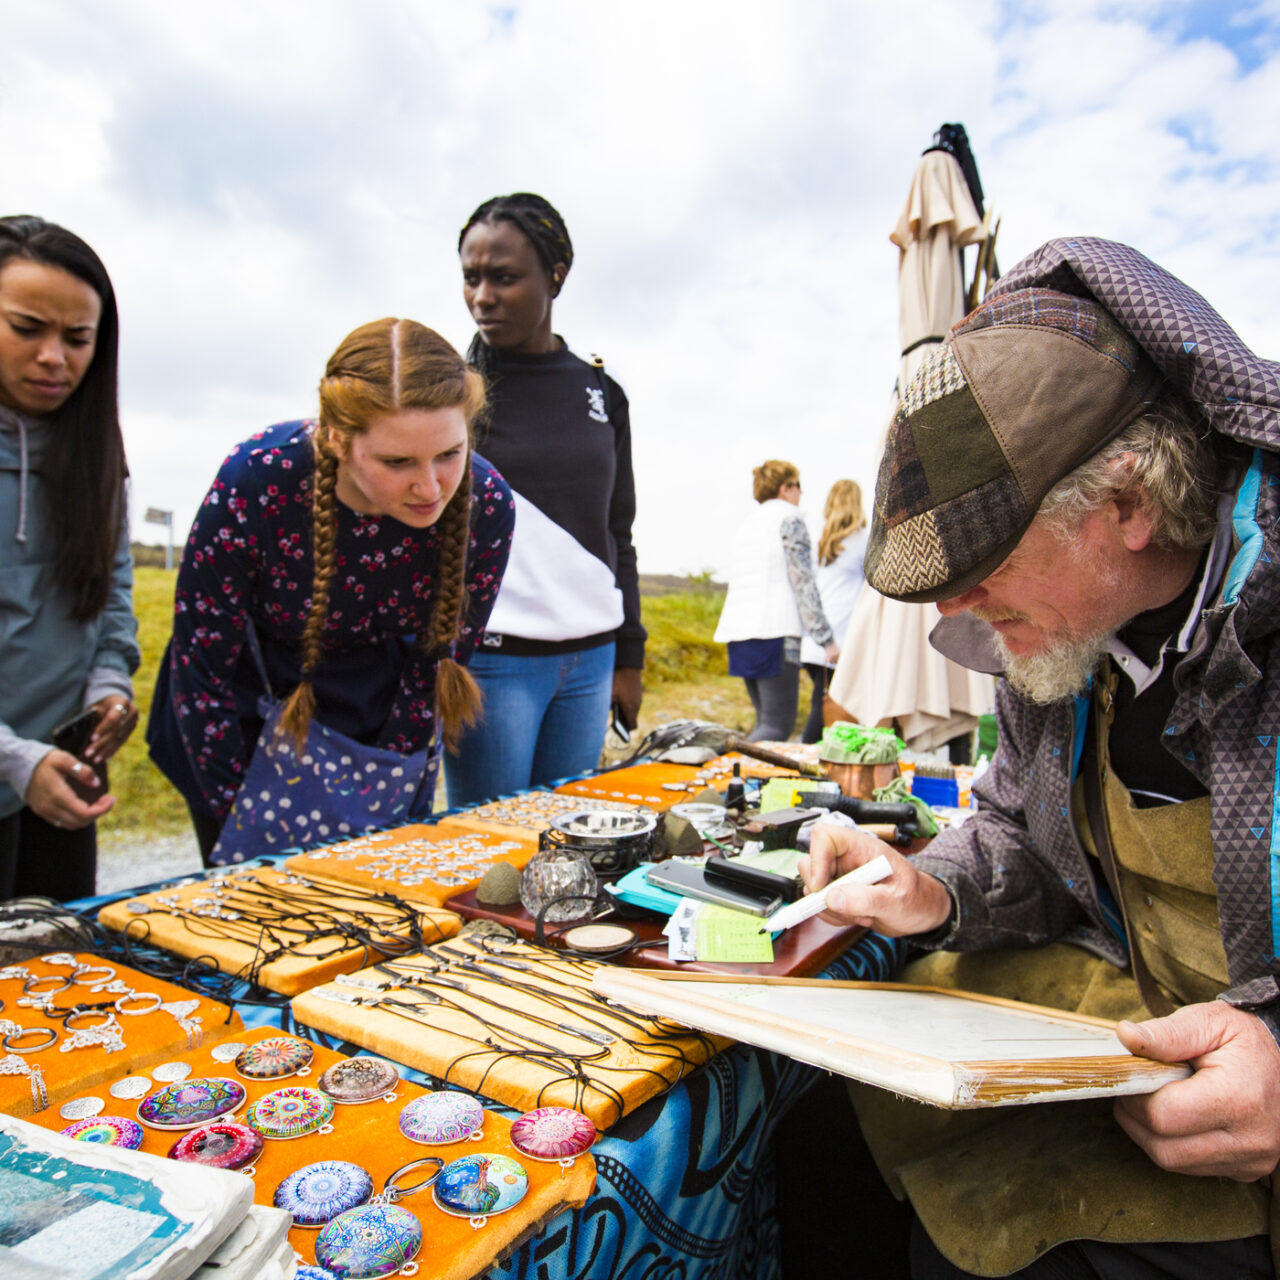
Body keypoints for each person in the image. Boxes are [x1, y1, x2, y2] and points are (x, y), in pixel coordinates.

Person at [802, 238, 1280, 1278]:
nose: (953, 608)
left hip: (1248, 1100)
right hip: (1141, 1023)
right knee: (817, 1105)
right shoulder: (1061, 643)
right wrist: (929, 884)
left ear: (1125, 503)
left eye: (986, 562)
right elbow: (1021, 828)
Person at [147, 318, 514, 863]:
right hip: (246, 713)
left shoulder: (487, 504)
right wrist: (240, 826)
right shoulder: (257, 480)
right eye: (397, 461)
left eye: (449, 454)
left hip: (383, 714)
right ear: (336, 438)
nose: (431, 486)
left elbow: (439, 663)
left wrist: (389, 792)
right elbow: (203, 667)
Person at [445, 193, 646, 806]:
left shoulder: (600, 392)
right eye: (471, 278)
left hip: (590, 662)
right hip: (493, 664)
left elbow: (619, 529)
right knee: (486, 859)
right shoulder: (453, 392)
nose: (483, 296)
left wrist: (628, 657)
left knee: (566, 847)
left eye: (504, 278)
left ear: (555, 276)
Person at [0, 216, 138, 901]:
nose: (55, 357)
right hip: (19, 763)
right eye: (26, 328)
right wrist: (14, 759)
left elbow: (111, 598)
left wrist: (108, 688)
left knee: (51, 980)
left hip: (63, 775)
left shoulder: (96, 451)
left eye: (78, 338)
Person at [714, 460, 838, 742]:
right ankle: (739, 779)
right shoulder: (790, 519)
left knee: (764, 721)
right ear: (786, 488)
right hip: (774, 630)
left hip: (739, 631)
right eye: (798, 486)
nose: (801, 494)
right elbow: (803, 581)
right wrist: (825, 638)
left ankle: (742, 780)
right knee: (776, 727)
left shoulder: (749, 524)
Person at [799, 478, 868, 743]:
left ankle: (824, 764)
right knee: (831, 707)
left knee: (825, 703)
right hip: (841, 639)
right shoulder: (862, 540)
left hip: (814, 638)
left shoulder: (818, 538)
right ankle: (808, 760)